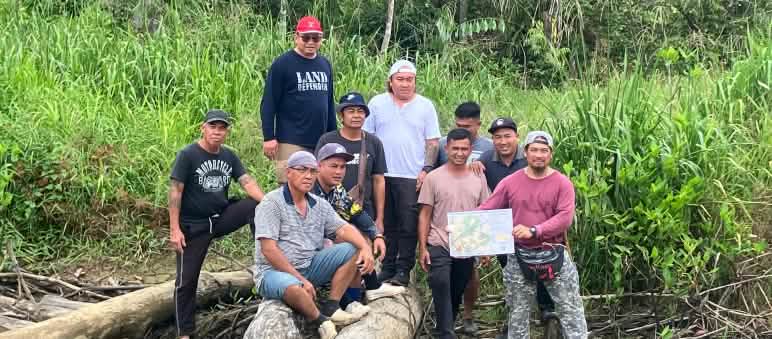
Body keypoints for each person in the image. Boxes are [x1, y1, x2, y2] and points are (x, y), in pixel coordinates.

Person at [253, 151, 376, 339]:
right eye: (302, 170)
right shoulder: (271, 203)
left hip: (310, 265)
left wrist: (366, 248)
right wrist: (300, 279)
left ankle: (333, 306)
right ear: (289, 173)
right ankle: (321, 321)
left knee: (353, 248)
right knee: (295, 288)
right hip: (273, 272)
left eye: (312, 171)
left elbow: (343, 229)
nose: (308, 176)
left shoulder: (319, 204)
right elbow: (268, 250)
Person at [478, 131, 587, 339]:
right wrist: (462, 227)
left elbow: (565, 218)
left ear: (551, 155)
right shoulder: (510, 182)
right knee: (517, 313)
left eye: (544, 151)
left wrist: (535, 230)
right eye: (534, 150)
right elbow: (487, 209)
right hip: (519, 256)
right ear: (525, 153)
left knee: (571, 310)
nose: (539, 155)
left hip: (554, 253)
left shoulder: (562, 183)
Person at [168, 109, 266, 339]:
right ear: (203, 128)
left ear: (226, 132)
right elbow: (175, 193)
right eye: (213, 126)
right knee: (186, 281)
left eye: (222, 128)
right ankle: (184, 333)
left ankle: (264, 257)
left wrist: (271, 204)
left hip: (220, 218)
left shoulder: (228, 156)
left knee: (254, 204)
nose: (217, 132)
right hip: (195, 226)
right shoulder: (188, 155)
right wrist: (175, 229)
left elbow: (247, 182)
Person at [470, 118, 555, 338]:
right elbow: (485, 198)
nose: (503, 141)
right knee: (513, 276)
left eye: (507, 136)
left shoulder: (531, 158)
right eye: (497, 137)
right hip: (502, 229)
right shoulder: (485, 160)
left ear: (517, 137)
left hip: (535, 226)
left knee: (543, 271)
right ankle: (515, 324)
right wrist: (466, 227)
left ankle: (547, 310)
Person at [364, 60, 441, 286]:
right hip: (381, 174)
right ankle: (387, 267)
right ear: (391, 81)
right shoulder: (377, 103)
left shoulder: (425, 106)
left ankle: (403, 269)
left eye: (410, 80)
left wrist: (426, 169)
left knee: (408, 224)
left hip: (411, 175)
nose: (405, 84)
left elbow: (433, 142)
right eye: (400, 79)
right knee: (386, 222)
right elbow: (367, 137)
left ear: (415, 82)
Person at [417, 128, 491, 339]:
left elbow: (484, 211)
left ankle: (445, 322)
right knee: (440, 280)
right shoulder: (433, 178)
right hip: (439, 239)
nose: (459, 153)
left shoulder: (478, 177)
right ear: (446, 148)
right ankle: (445, 333)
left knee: (458, 286)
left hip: (467, 242)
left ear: (471, 150)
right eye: (455, 148)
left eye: (464, 149)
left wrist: (485, 246)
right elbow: (424, 214)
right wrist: (422, 247)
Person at [313, 143, 406, 304]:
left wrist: (376, 234)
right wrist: (360, 243)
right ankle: (351, 299)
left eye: (342, 167)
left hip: (325, 241)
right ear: (319, 166)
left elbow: (356, 212)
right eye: (333, 166)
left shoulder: (336, 189)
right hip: (305, 248)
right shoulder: (311, 189)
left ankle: (359, 297)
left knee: (359, 237)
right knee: (352, 243)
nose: (338, 171)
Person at [435, 102, 494, 334]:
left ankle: (467, 316)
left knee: (469, 272)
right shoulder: (443, 143)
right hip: (446, 220)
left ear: (478, 125)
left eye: (468, 127)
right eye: (458, 125)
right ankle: (447, 315)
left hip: (473, 217)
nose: (463, 130)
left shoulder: (489, 148)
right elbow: (434, 169)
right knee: (444, 272)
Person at [261, 15, 336, 183]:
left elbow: (329, 103)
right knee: (288, 187)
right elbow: (269, 102)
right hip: (290, 140)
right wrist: (268, 137)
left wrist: (333, 137)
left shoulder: (325, 64)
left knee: (316, 188)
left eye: (315, 38)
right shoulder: (282, 64)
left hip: (320, 140)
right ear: (296, 37)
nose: (311, 42)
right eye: (306, 37)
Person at [316, 92, 388, 233]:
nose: (356, 115)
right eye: (351, 111)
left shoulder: (374, 142)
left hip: (363, 211)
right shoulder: (327, 140)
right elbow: (316, 174)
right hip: (331, 210)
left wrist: (379, 218)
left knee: (365, 250)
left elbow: (379, 180)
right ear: (341, 116)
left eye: (360, 111)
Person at [436, 101, 493, 166]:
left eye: (466, 126)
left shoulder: (490, 147)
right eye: (459, 125)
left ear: (478, 124)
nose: (461, 130)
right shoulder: (441, 144)